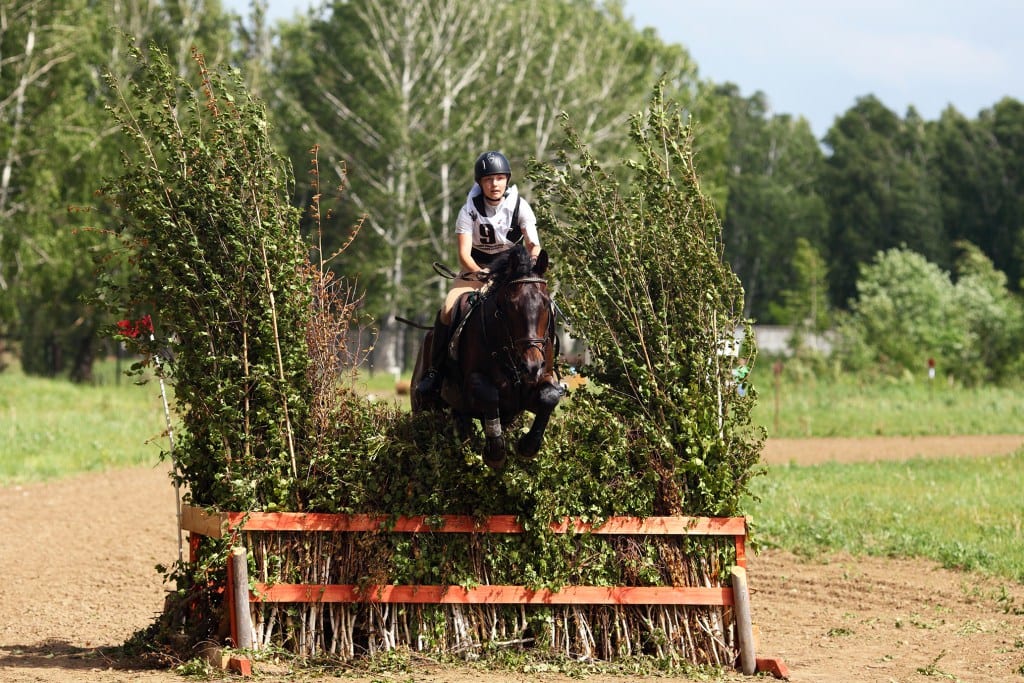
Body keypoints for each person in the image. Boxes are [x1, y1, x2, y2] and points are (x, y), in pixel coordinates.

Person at [415, 151, 542, 396]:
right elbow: (464, 255)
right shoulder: (468, 210)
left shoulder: (520, 206)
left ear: (507, 180)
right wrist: (482, 273)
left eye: (499, 178)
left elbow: (533, 245)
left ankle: (550, 368)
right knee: (448, 309)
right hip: (477, 268)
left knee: (537, 305)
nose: (494, 184)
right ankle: (435, 372)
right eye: (488, 179)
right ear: (480, 183)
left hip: (511, 270)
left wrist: (532, 263)